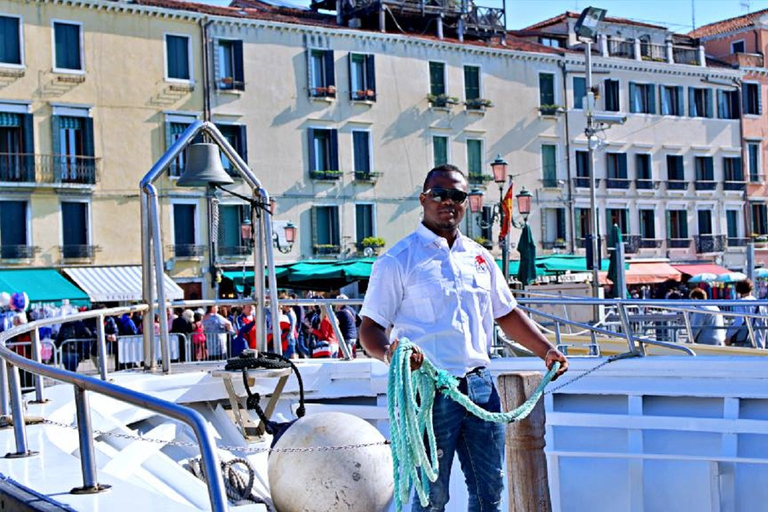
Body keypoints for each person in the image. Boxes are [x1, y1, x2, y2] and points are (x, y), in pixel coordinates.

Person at [359, 164, 568, 512]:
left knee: (491, 492)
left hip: (481, 388)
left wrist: (546, 350)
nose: (448, 202)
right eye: (439, 194)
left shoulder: (480, 257)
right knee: (431, 497)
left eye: (457, 195)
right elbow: (370, 328)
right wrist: (390, 356)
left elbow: (507, 314)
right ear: (423, 199)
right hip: (428, 391)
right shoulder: (397, 260)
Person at [726, 279, 768, 348]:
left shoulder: (740, 302)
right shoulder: (760, 303)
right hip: (760, 341)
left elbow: (739, 322)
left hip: (746, 342)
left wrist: (729, 336)